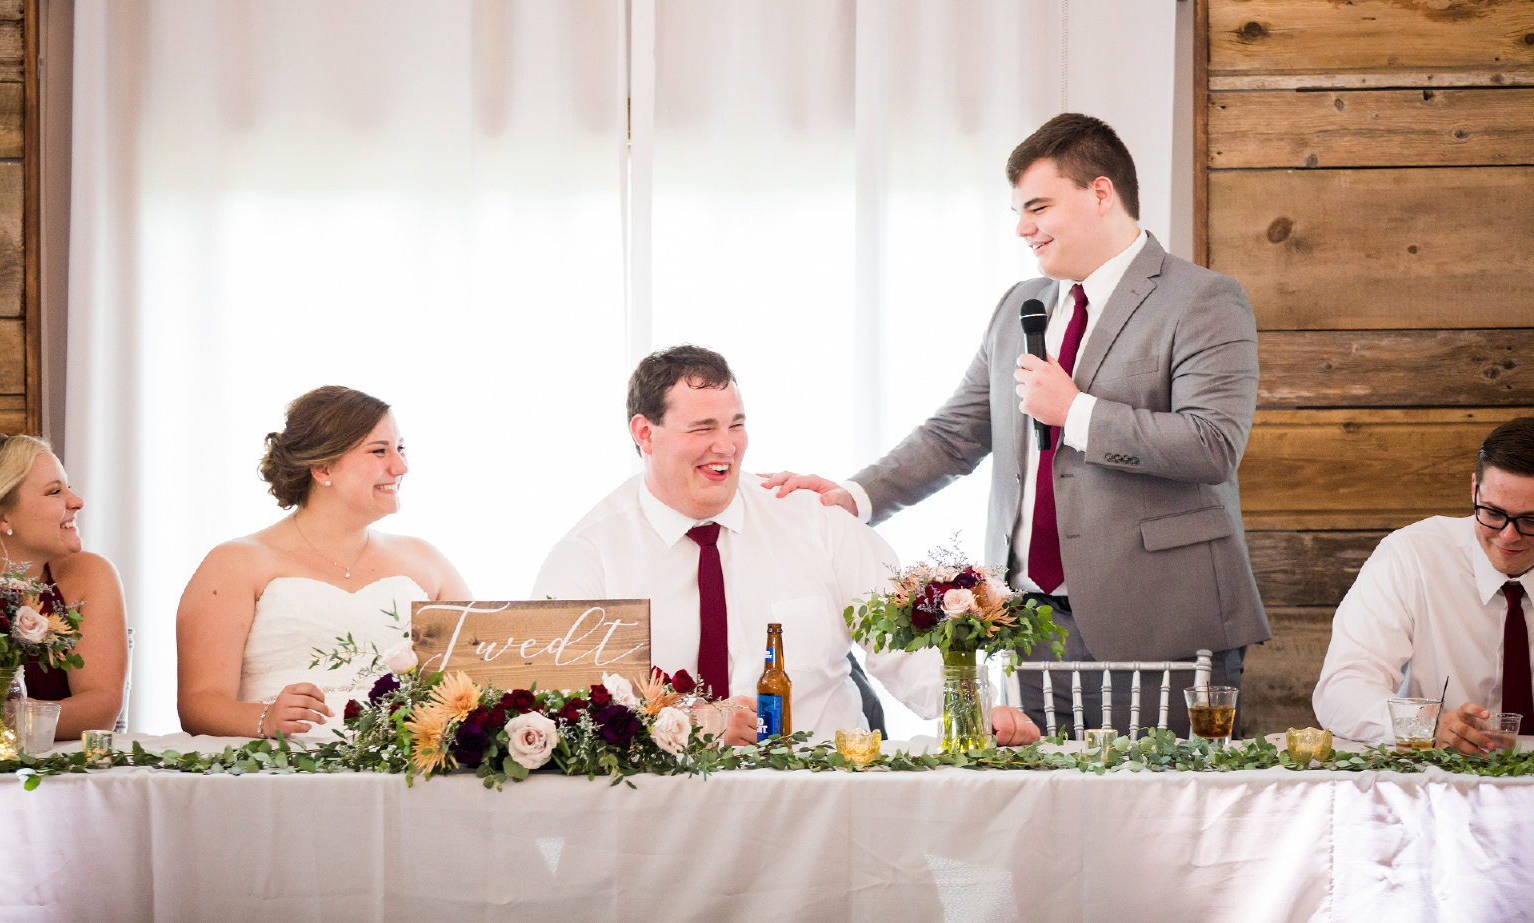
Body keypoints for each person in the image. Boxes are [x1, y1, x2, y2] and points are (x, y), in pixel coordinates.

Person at [764, 113, 1270, 736]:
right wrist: (855, 495)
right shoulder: (1018, 307)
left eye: (1037, 206)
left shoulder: (1203, 299)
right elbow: (955, 434)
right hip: (1029, 628)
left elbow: (1212, 444)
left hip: (1163, 622)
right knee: (1043, 819)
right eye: (1017, 212)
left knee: (1158, 823)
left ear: (1101, 193)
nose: (1023, 228)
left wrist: (1075, 412)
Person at [531, 344, 1042, 747]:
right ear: (645, 433)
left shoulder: (814, 522)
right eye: (702, 428)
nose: (726, 446)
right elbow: (560, 708)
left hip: (824, 805)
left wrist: (979, 713)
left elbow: (911, 651)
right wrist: (690, 724)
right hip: (660, 814)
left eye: (736, 424)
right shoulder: (587, 557)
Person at [176, 386, 473, 739]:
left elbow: (484, 670)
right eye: (379, 451)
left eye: (401, 448)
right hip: (286, 770)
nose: (401, 466)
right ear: (321, 467)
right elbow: (199, 704)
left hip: (406, 770)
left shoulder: (425, 559)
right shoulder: (236, 563)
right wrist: (265, 719)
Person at [1314, 417, 1534, 753]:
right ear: (1474, 489)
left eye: (1531, 520)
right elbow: (1341, 689)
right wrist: (1423, 724)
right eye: (1491, 513)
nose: (1508, 535)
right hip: (1433, 786)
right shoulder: (1411, 555)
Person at [0, 433, 128, 740]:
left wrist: (18, 719)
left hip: (61, 776)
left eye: (69, 487)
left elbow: (100, 708)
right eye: (54, 492)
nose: (77, 502)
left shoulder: (91, 575)